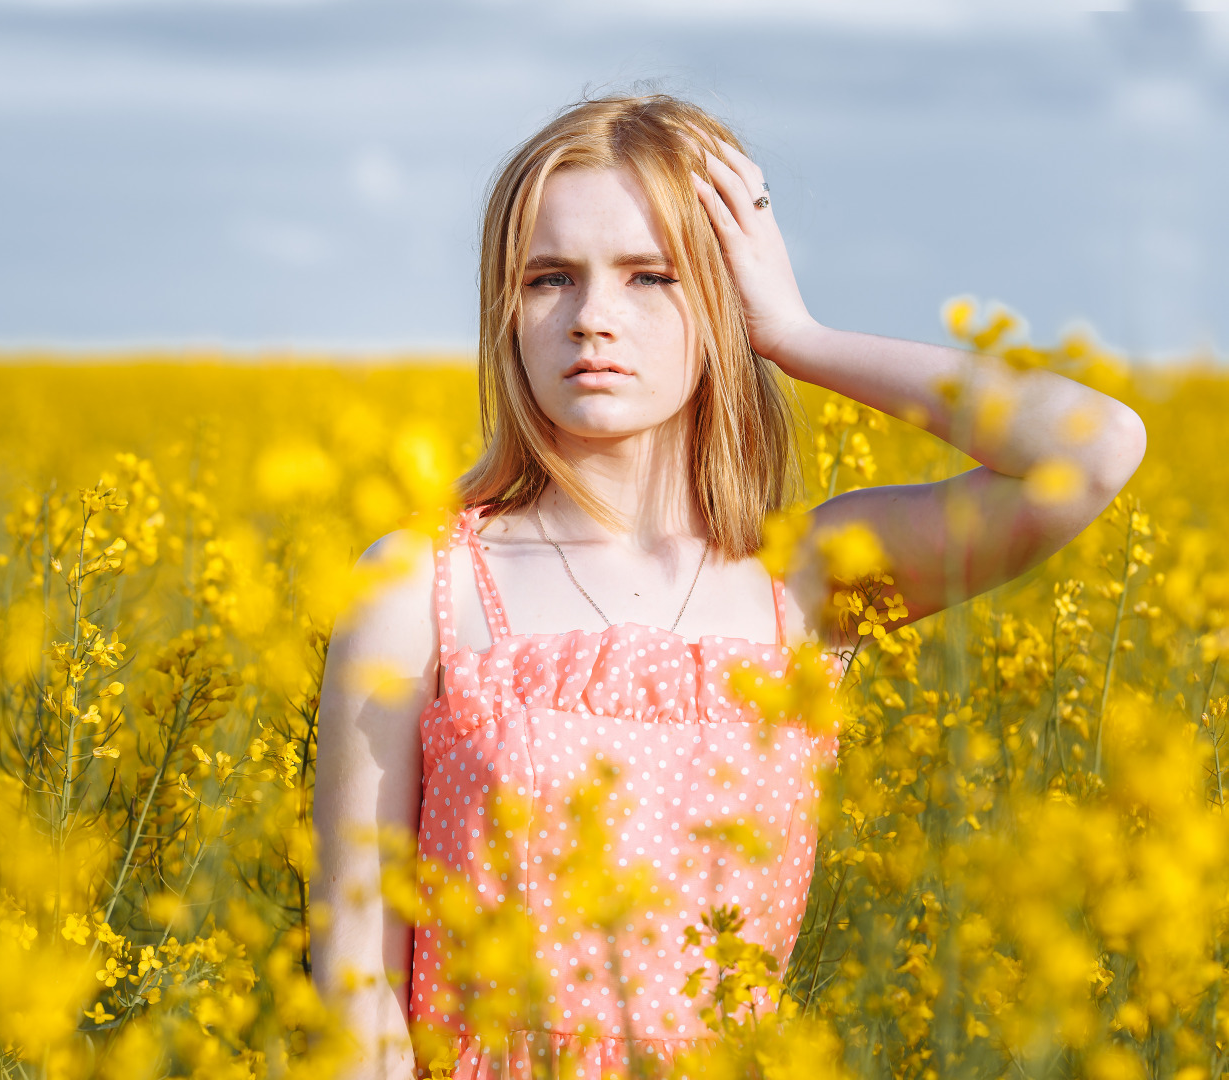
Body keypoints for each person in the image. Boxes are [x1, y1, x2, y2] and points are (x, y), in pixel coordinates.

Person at [310, 94, 1145, 1079]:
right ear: (505, 310)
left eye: (650, 276)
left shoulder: (804, 578)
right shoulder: (420, 585)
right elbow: (356, 1004)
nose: (591, 318)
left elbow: (1092, 452)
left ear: (720, 296)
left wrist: (794, 334)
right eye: (547, 279)